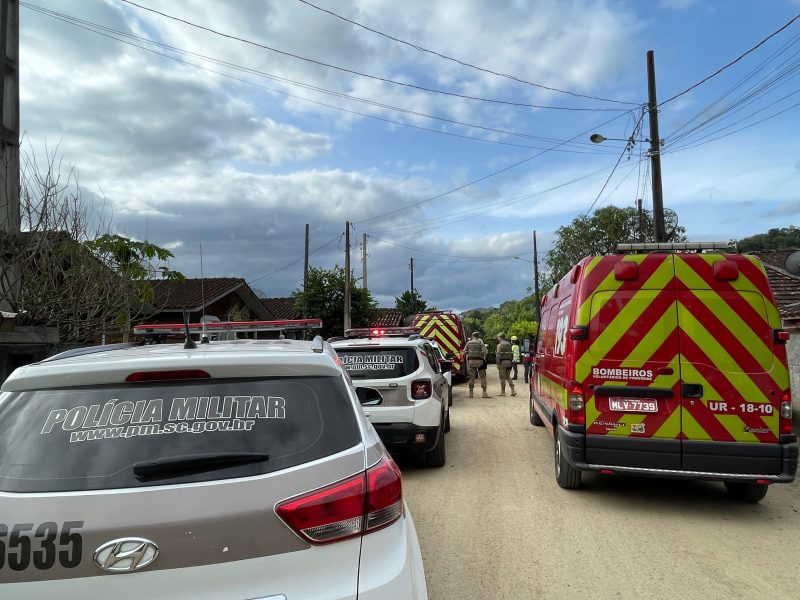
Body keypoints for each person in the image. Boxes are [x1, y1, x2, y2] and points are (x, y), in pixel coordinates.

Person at [464, 331, 489, 398]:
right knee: (483, 377)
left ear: (472, 336)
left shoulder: (468, 343)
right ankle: (484, 393)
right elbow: (486, 352)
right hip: (480, 362)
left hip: (471, 362)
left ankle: (471, 393)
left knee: (472, 377)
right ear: (478, 336)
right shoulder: (480, 342)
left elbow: (464, 352)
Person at [495, 332, 516, 396]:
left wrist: (497, 363)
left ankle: (503, 392)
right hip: (509, 362)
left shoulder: (500, 345)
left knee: (502, 378)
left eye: (498, 337)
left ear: (500, 337)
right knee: (508, 377)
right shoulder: (509, 344)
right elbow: (511, 353)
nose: (498, 338)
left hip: (502, 362)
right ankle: (513, 390)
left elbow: (498, 355)